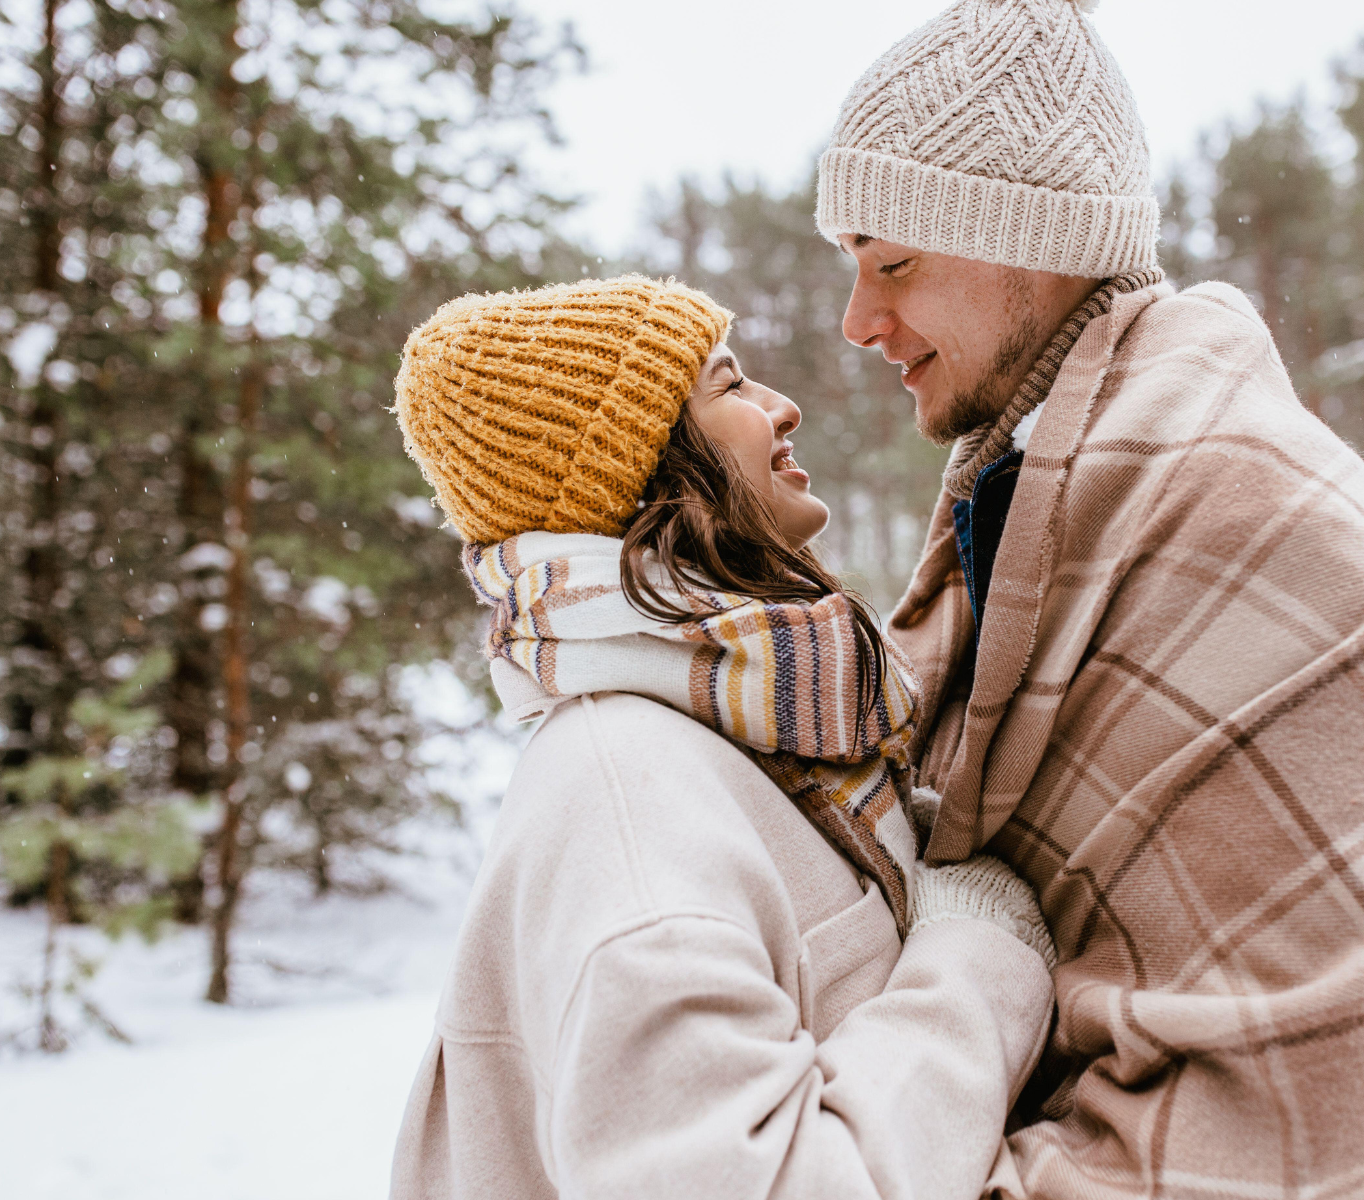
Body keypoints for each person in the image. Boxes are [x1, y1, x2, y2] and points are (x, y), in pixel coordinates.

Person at [816, 1, 1364, 1197]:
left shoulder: (1244, 520)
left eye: (895, 262)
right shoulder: (1038, 498)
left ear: (1025, 241)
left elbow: (1311, 1097)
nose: (860, 322)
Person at [386, 276, 1058, 1200]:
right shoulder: (627, 804)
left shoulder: (764, 735)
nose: (781, 408)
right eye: (731, 387)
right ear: (641, 466)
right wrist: (979, 968)